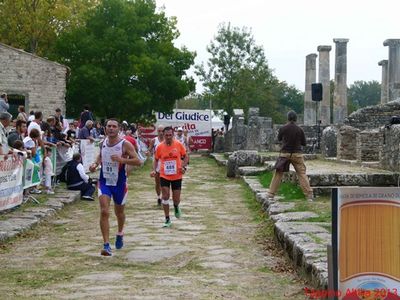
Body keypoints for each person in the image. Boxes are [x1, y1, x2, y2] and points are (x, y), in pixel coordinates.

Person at [89, 119, 141, 256]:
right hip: (105, 181)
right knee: (104, 211)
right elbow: (100, 156)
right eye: (109, 126)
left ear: (119, 129)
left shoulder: (125, 144)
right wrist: (95, 164)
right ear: (105, 128)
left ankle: (119, 232)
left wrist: (122, 160)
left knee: (119, 213)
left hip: (119, 183)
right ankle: (106, 245)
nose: (111, 128)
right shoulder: (103, 143)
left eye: (114, 126)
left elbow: (138, 161)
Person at [267, 111, 314, 201]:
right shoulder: (300, 129)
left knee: (278, 173)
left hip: (285, 153)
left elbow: (279, 139)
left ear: (287, 118)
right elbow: (304, 143)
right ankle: (309, 195)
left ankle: (270, 194)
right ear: (296, 119)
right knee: (302, 174)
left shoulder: (283, 128)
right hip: (297, 154)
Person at [151, 126, 188, 228]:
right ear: (163, 135)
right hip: (164, 175)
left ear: (173, 134)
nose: (168, 137)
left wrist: (183, 167)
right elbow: (156, 159)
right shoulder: (160, 147)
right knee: (165, 196)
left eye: (170, 135)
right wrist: (154, 170)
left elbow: (185, 157)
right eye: (166, 135)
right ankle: (167, 219)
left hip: (177, 176)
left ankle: (176, 206)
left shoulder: (178, 145)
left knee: (176, 199)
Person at [148, 125, 164, 206]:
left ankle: (163, 197)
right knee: (158, 182)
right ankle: (159, 197)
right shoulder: (154, 140)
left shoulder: (168, 140)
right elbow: (150, 150)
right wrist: (148, 152)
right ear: (157, 131)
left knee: (165, 182)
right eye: (159, 131)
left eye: (162, 131)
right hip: (156, 162)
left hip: (165, 163)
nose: (161, 133)